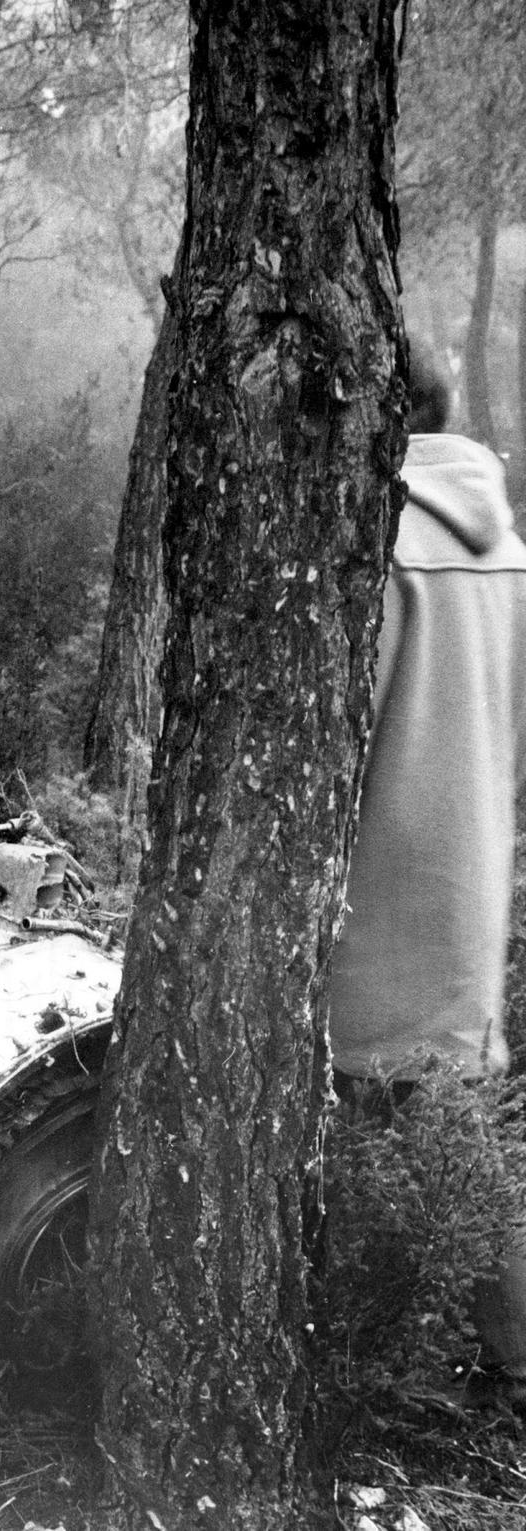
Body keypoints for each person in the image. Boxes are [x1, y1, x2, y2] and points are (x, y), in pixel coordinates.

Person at [330, 341, 526, 1397]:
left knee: (416, 1109)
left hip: (381, 874)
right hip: (469, 870)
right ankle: (425, 1345)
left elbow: (338, 740)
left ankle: (506, 1352)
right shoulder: (511, 549)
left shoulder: (379, 546)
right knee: (439, 1100)